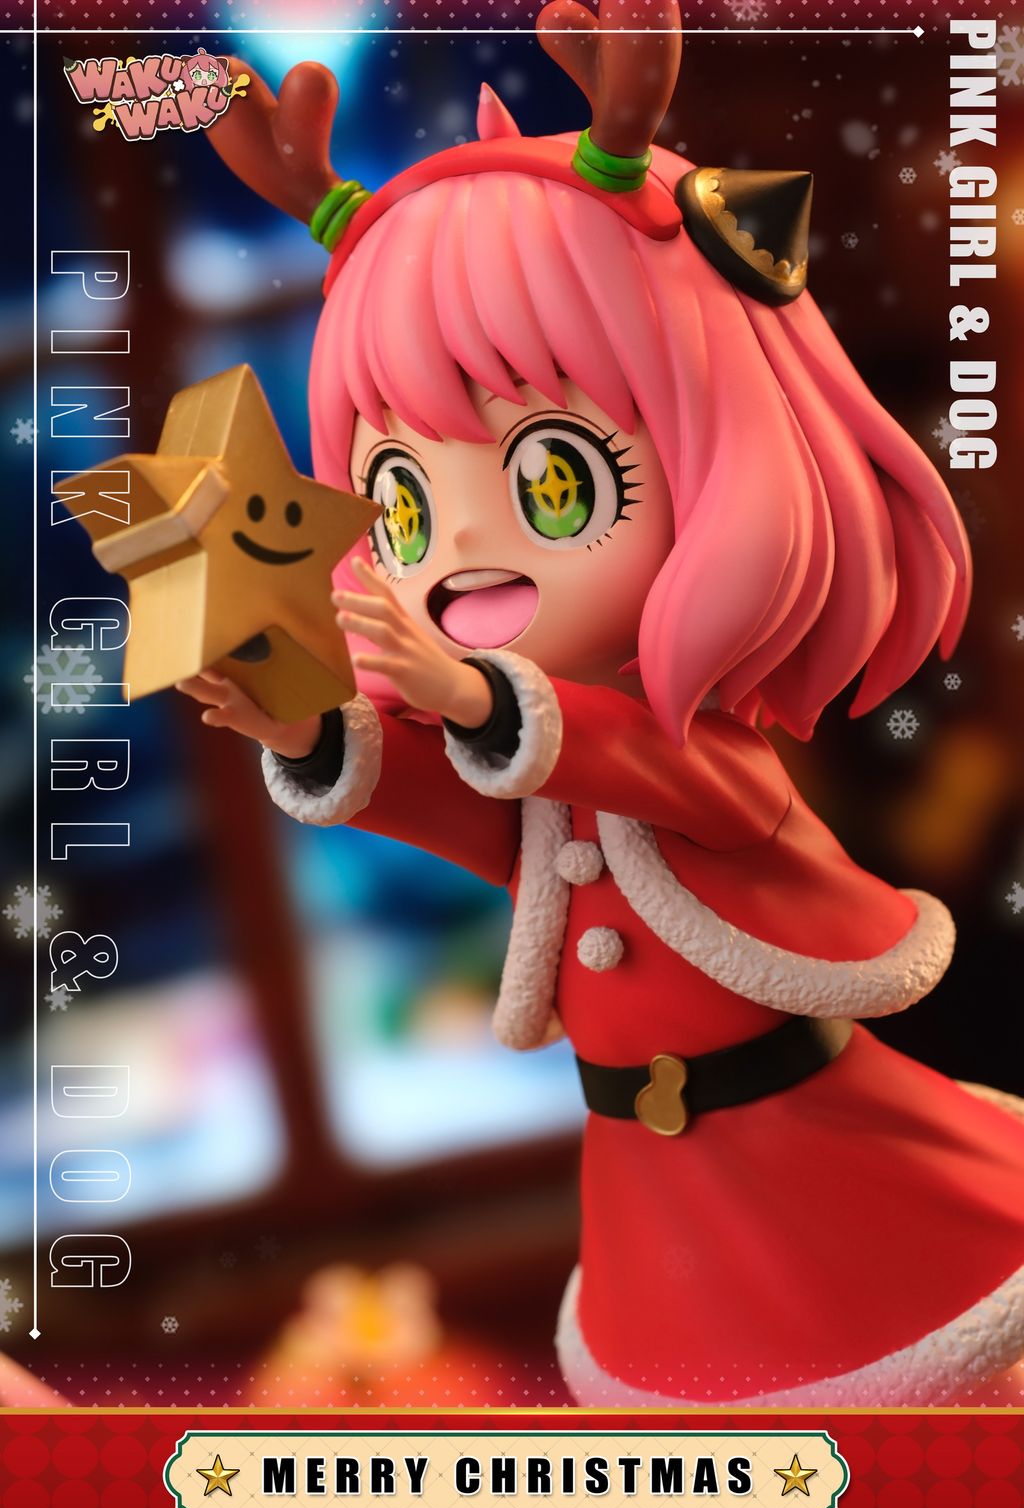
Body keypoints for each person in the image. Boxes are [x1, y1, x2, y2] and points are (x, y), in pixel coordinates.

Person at [179, 0, 1024, 1405]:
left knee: (922, 1390)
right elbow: (483, 817)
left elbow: (704, 790)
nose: (455, 553)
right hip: (648, 1172)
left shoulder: (689, 737)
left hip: (816, 1141)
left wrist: (473, 693)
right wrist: (315, 733)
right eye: (401, 503)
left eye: (553, 479)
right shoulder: (541, 749)